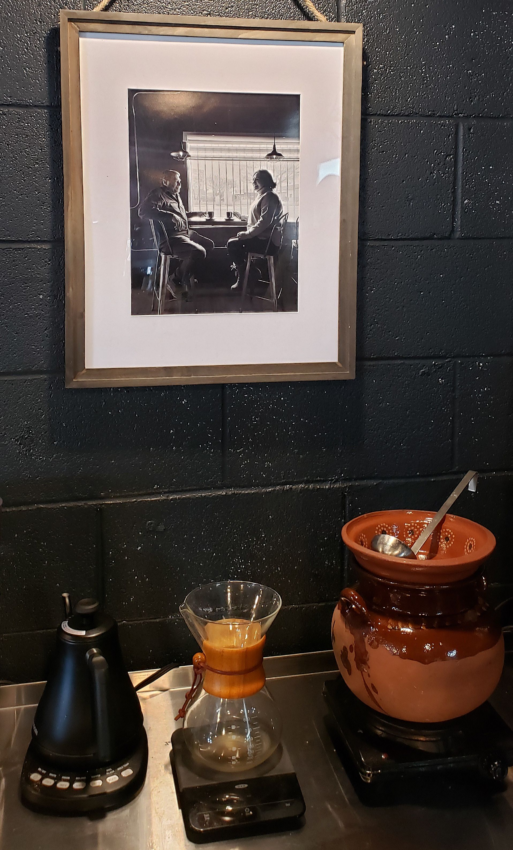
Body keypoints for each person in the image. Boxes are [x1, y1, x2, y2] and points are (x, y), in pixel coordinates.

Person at [138, 170, 213, 295]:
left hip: (185, 233)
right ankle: (176, 279)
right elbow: (143, 211)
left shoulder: (175, 195)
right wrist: (169, 215)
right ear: (165, 182)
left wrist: (195, 214)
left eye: (180, 181)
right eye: (176, 181)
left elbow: (179, 215)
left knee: (208, 244)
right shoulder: (158, 194)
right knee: (199, 252)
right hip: (170, 238)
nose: (179, 184)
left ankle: (185, 274)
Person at [226, 170, 284, 290]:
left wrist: (247, 234)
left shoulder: (270, 197)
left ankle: (246, 275)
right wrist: (243, 217)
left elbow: (264, 222)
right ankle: (251, 272)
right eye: (253, 180)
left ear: (266, 180)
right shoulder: (263, 196)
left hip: (268, 243)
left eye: (256, 179)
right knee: (234, 243)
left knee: (232, 244)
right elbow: (259, 218)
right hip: (263, 239)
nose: (253, 182)